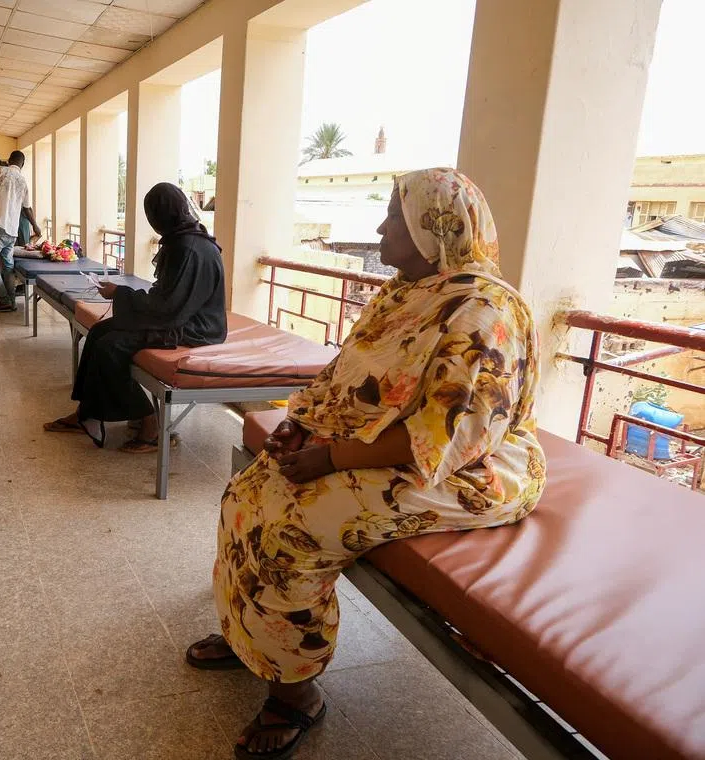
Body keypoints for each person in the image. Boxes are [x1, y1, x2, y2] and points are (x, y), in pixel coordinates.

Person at [185, 168, 546, 759]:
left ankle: (295, 693)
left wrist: (331, 458)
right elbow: (345, 374)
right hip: (386, 443)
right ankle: (254, 633)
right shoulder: (406, 291)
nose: (380, 227)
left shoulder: (484, 312)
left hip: (471, 470)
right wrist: (302, 424)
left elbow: (453, 435)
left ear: (435, 230)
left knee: (292, 529)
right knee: (247, 493)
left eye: (393, 218)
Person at [43, 182, 227, 451]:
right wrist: (122, 295)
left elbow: (169, 309)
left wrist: (120, 293)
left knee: (111, 346)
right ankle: (87, 414)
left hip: (195, 327)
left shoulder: (189, 248)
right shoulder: (182, 238)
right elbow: (167, 300)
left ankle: (150, 423)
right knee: (98, 332)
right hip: (176, 316)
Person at [0, 150, 41, 312]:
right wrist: (35, 225)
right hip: (12, 231)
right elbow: (27, 208)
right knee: (7, 265)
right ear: (23, 164)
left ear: (9, 159)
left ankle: (4, 299)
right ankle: (11, 301)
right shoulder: (22, 181)